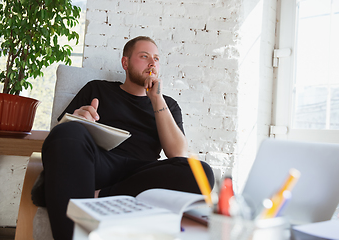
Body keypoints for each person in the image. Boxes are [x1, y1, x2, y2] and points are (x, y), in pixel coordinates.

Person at [39, 36, 215, 239]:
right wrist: (78, 120)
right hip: (100, 164)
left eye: (156, 58)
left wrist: (156, 99)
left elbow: (177, 154)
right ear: (125, 62)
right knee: (67, 133)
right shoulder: (97, 88)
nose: (152, 63)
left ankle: (101, 196)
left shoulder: (168, 105)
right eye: (144, 56)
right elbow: (59, 139)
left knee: (200, 172)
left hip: (142, 174)